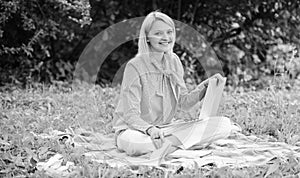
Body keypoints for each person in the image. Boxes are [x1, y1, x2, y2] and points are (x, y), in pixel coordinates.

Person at [112, 11, 235, 161]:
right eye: (158, 33)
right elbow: (130, 114)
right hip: (134, 130)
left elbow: (184, 103)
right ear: (147, 38)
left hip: (166, 130)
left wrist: (206, 86)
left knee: (224, 125)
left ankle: (171, 145)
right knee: (137, 145)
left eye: (169, 32)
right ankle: (183, 144)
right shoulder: (135, 66)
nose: (166, 38)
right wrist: (150, 130)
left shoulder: (174, 61)